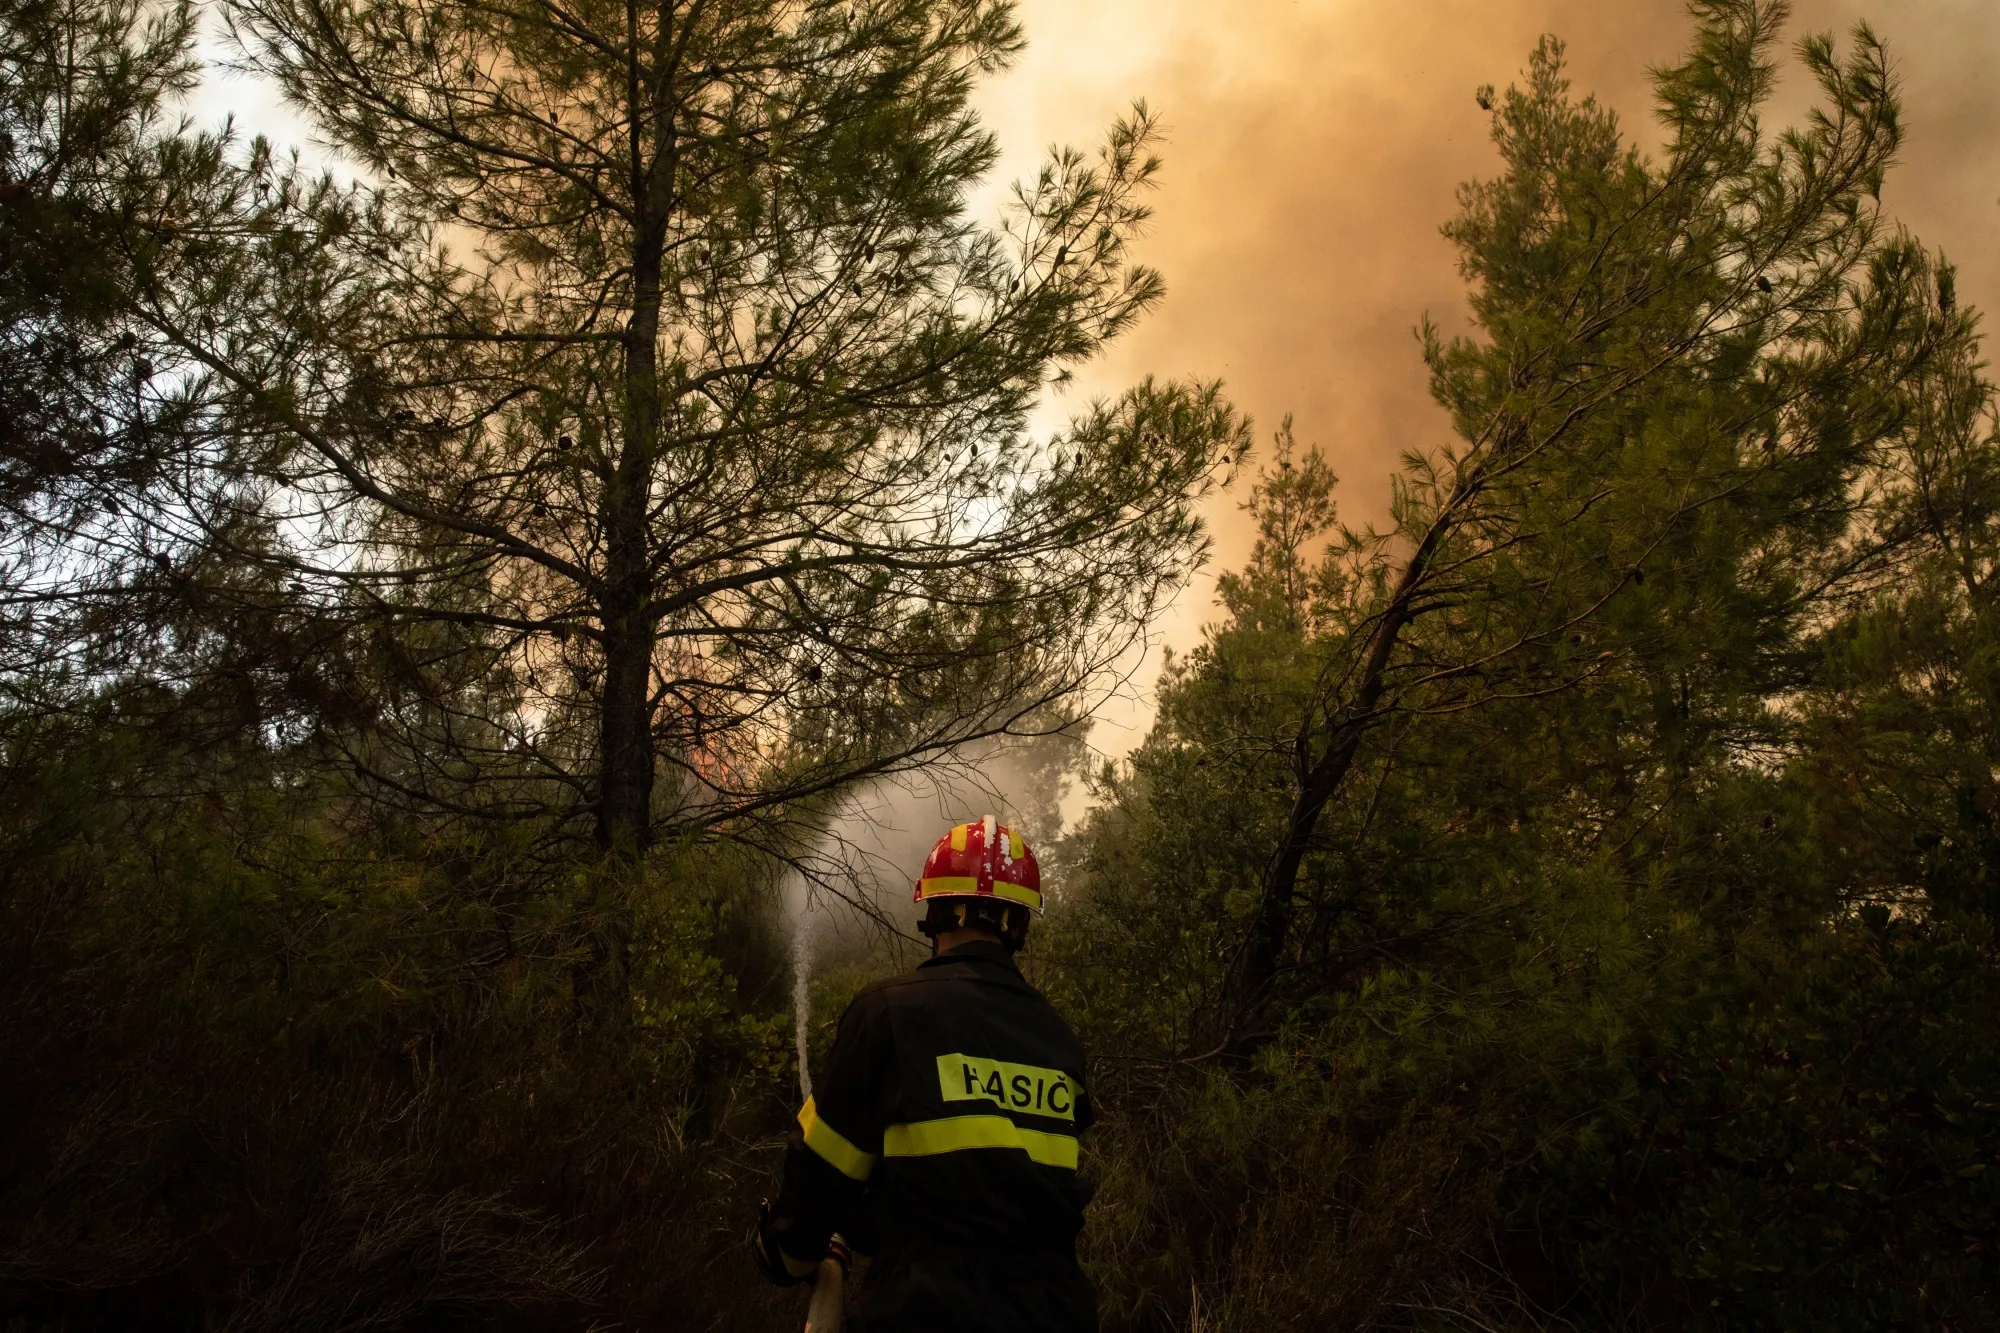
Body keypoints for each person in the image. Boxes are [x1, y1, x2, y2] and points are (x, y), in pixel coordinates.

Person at [753, 815, 1096, 1332]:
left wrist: (786, 1253)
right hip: (1056, 1312)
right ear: (1020, 924)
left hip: (927, 1310)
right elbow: (996, 1188)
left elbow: (827, 1165)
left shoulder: (891, 1013)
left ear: (935, 912)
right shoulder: (1059, 1040)